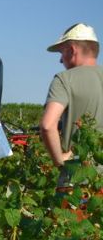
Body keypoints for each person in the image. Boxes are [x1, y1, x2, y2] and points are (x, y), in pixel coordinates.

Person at [39, 23, 103, 188]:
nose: (60, 59)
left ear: (72, 50)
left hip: (79, 175)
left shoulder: (64, 79)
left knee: (71, 214)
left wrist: (60, 161)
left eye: (61, 53)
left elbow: (47, 125)